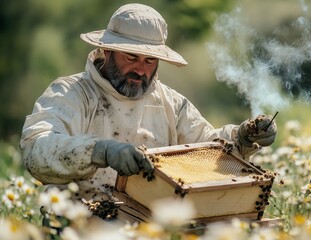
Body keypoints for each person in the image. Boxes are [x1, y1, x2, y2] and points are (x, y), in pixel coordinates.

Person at [19, 3, 277, 203]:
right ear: (107, 50)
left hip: (150, 227)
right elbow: (36, 149)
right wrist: (101, 151)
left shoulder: (171, 103)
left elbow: (209, 149)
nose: (140, 70)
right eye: (131, 57)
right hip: (77, 225)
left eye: (150, 61)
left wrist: (242, 138)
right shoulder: (71, 93)